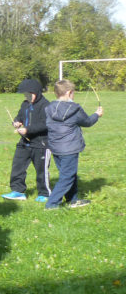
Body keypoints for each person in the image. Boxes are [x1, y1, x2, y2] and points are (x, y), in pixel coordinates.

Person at [44, 80, 103, 210]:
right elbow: (87, 122)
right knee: (67, 177)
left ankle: (72, 200)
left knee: (69, 174)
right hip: (69, 148)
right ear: (69, 92)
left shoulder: (49, 108)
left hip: (55, 147)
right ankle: (51, 204)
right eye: (73, 92)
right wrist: (97, 114)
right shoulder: (75, 108)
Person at [1, 79, 51, 202]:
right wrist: (17, 122)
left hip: (41, 144)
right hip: (25, 142)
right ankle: (18, 191)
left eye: (29, 94)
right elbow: (19, 116)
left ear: (36, 92)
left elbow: (46, 124)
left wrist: (28, 130)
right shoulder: (25, 104)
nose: (27, 97)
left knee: (41, 170)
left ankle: (44, 193)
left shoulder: (46, 105)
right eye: (25, 95)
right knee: (17, 166)